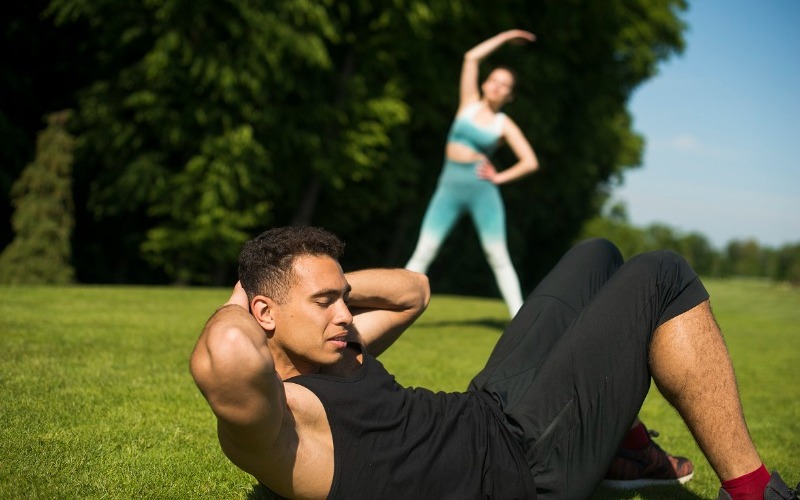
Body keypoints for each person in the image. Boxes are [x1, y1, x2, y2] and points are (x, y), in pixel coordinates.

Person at [190, 226, 799, 500]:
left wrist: (325, 286)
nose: (344, 315)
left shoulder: (336, 346)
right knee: (660, 274)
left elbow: (414, 290)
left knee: (596, 254)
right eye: (325, 303)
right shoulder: (281, 422)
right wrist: (241, 297)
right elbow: (226, 354)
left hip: (491, 407)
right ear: (263, 313)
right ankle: (755, 493)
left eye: (343, 300)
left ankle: (620, 443)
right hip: (525, 464)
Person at [405, 30, 539, 317]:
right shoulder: (468, 103)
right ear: (485, 83)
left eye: (504, 85)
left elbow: (530, 161)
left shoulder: (504, 124)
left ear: (510, 95)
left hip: (481, 190)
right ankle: (393, 306)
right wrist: (507, 37)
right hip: (448, 187)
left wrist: (500, 177)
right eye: (494, 80)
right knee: (424, 250)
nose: (496, 86)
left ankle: (521, 320)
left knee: (497, 255)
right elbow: (471, 57)